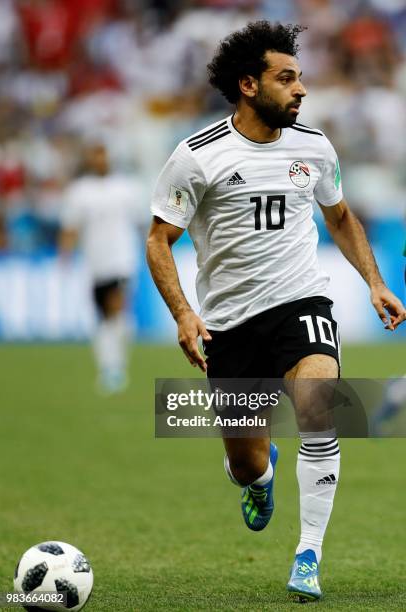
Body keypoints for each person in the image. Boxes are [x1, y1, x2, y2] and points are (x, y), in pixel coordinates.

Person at [146, 21, 406, 601]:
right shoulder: (197, 157)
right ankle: (258, 479)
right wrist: (185, 315)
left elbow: (339, 217)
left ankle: (308, 554)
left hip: (300, 302)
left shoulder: (313, 147)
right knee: (245, 461)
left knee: (319, 404)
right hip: (229, 324)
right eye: (286, 78)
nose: (301, 89)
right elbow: (160, 239)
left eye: (301, 77)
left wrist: (375, 282)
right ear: (247, 84)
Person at [60, 142, 143, 394]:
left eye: (102, 155)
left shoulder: (127, 188)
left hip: (123, 259)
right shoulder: (79, 191)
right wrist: (65, 255)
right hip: (96, 262)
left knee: (115, 306)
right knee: (105, 318)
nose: (99, 160)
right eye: (94, 156)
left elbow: (143, 224)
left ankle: (116, 368)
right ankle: (109, 366)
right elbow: (70, 227)